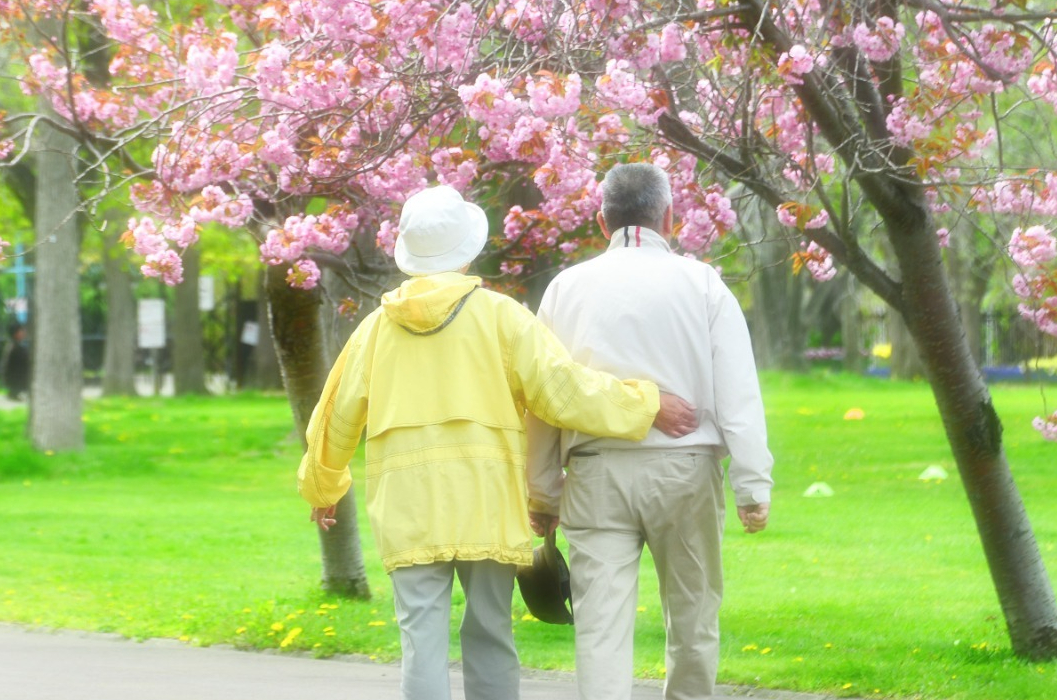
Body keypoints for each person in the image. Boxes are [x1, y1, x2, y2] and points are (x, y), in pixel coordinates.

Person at [297, 185, 699, 700]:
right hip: (485, 500)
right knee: (489, 631)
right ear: (467, 252)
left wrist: (321, 484)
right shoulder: (501, 316)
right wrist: (645, 404)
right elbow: (564, 392)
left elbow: (335, 413)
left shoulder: (375, 329)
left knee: (420, 641)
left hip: (407, 505)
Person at [524, 163, 773, 700]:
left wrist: (541, 491)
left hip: (594, 471)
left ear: (600, 220)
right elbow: (738, 391)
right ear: (669, 216)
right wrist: (753, 482)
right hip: (684, 468)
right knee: (693, 616)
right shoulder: (702, 282)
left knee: (601, 625)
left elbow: (543, 396)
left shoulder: (565, 288)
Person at [0, 322, 31, 401]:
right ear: (16, 334)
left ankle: (15, 391)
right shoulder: (16, 348)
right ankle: (16, 391)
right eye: (21, 330)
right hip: (13, 379)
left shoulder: (12, 345)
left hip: (10, 379)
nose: (24, 332)